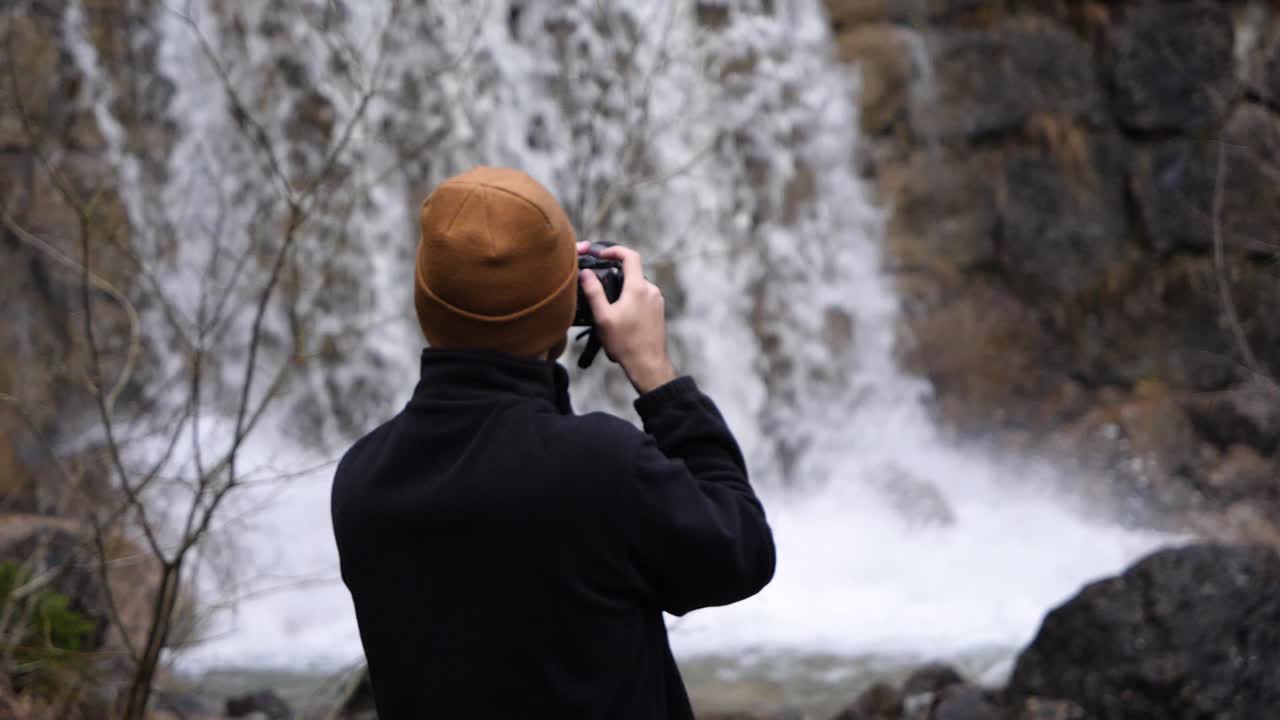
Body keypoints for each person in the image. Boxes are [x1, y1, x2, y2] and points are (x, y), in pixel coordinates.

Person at [331, 166, 776, 719]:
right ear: (565, 306)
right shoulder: (601, 468)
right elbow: (741, 550)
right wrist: (656, 373)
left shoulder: (361, 481)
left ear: (425, 303)